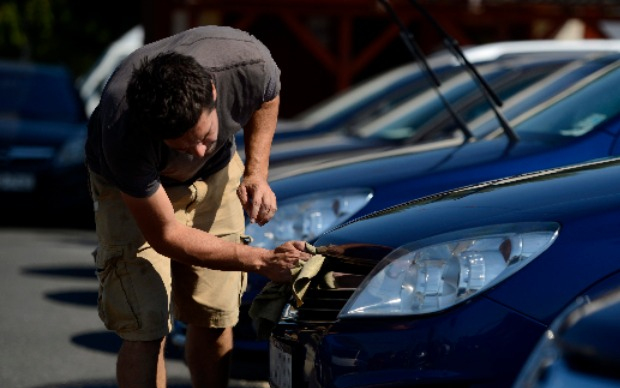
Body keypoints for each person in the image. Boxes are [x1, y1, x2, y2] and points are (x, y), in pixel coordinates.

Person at [84, 25, 310, 388]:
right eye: (184, 146)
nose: (199, 152)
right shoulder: (122, 128)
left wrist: (255, 172)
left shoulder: (249, 62)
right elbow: (166, 235)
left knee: (215, 314)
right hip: (134, 196)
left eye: (204, 137)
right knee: (146, 324)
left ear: (213, 92)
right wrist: (263, 261)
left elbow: (268, 96)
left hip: (219, 180)